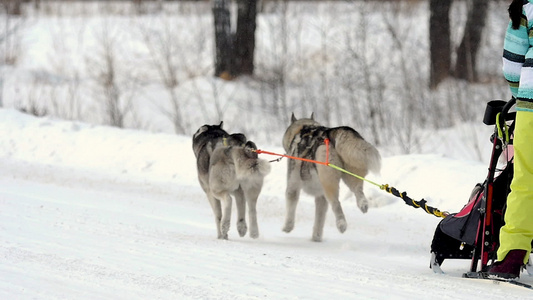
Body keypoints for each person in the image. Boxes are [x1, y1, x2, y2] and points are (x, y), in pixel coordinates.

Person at [488, 0, 533, 279]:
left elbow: (512, 62)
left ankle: (512, 257)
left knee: (526, 180)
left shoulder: (527, 8)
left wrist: (519, 94)